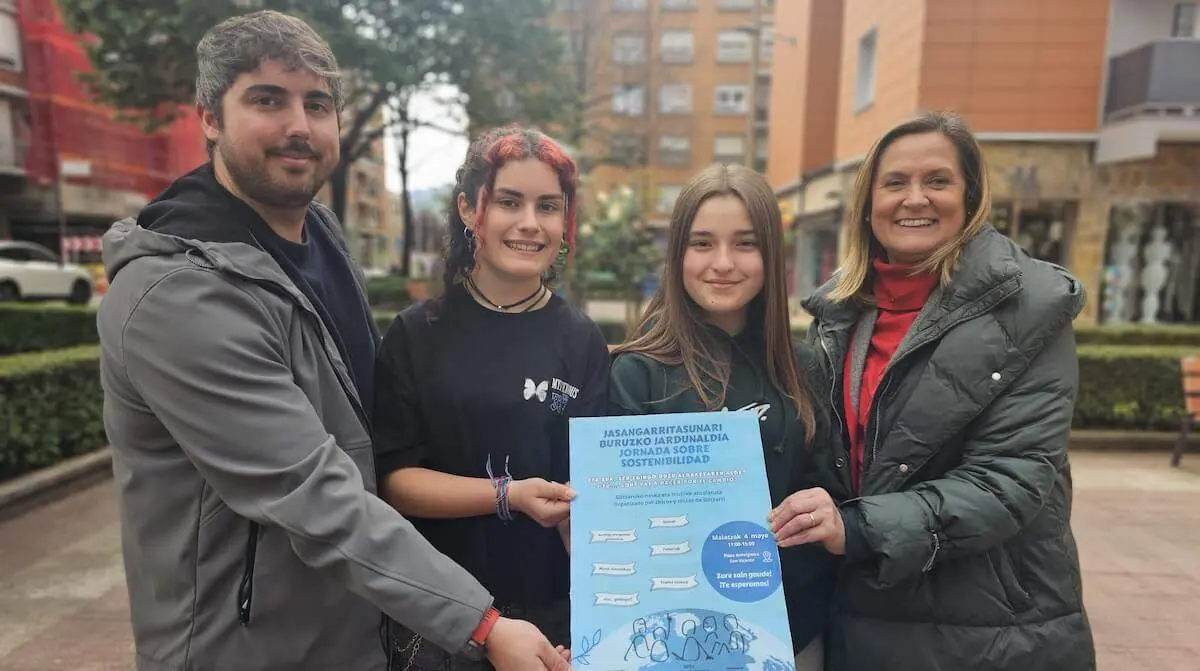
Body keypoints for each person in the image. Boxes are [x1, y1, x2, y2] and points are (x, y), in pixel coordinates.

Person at [97, 11, 569, 671]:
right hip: (240, 648)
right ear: (209, 117)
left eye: (317, 104)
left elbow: (366, 436)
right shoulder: (175, 295)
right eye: (267, 99)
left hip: (352, 628)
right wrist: (482, 621)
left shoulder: (318, 238)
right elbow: (313, 491)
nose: (299, 125)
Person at [770, 111, 1096, 670]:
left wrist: (856, 527)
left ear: (969, 198)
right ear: (868, 203)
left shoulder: (1030, 309)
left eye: (937, 181)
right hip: (865, 619)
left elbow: (1007, 482)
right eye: (895, 182)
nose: (914, 199)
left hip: (990, 631)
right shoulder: (838, 317)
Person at [372, 125, 612, 670]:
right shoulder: (416, 335)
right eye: (509, 201)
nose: (531, 223)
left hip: (552, 625)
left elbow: (593, 488)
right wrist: (510, 495)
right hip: (441, 619)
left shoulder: (582, 339)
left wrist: (599, 610)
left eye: (548, 206)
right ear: (468, 208)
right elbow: (393, 482)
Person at [606, 164, 836, 670]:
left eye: (746, 244)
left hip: (791, 634)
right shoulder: (635, 373)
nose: (723, 263)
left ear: (772, 255)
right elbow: (620, 526)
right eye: (703, 243)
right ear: (678, 255)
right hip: (673, 638)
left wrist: (826, 508)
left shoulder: (805, 367)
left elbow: (831, 487)